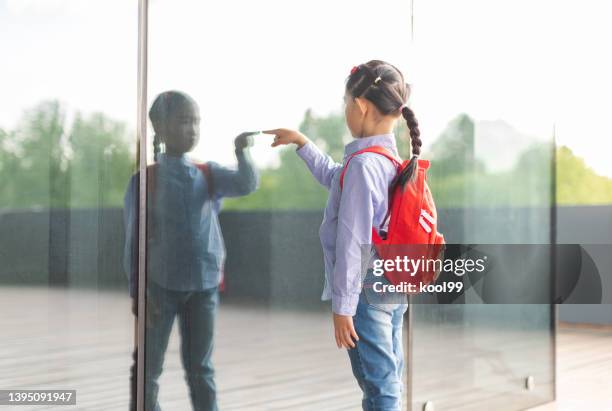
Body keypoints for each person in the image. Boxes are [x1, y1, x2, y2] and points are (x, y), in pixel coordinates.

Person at [263, 60, 423, 411]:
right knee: (389, 376)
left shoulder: (365, 166)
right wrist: (303, 143)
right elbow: (336, 175)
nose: (345, 111)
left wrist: (343, 307)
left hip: (366, 288)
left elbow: (353, 243)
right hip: (392, 282)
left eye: (346, 103)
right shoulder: (389, 160)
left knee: (379, 386)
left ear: (361, 106)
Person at [123, 90, 259, 411]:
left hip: (204, 286)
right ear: (160, 126)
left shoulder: (207, 172)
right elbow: (134, 241)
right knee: (148, 368)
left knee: (201, 368)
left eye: (195, 121)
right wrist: (138, 292)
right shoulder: (145, 180)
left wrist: (242, 153)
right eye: (184, 121)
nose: (192, 129)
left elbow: (246, 184)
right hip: (159, 287)